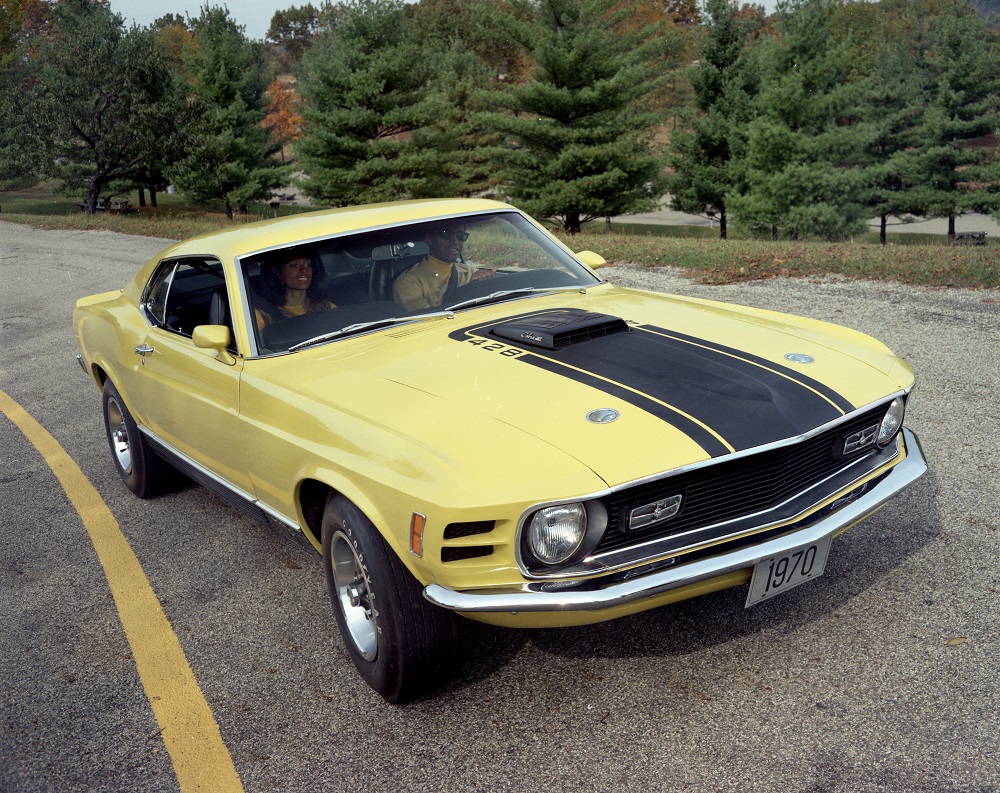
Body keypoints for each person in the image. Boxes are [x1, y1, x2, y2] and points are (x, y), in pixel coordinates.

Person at [392, 223, 495, 310]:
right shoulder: (408, 283)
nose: (455, 241)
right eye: (446, 234)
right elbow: (431, 322)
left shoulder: (470, 272)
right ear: (430, 239)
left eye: (460, 235)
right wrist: (468, 290)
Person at [255, 251, 335, 330]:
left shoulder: (328, 308)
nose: (303, 270)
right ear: (278, 273)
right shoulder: (262, 316)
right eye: (294, 265)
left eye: (308, 265)